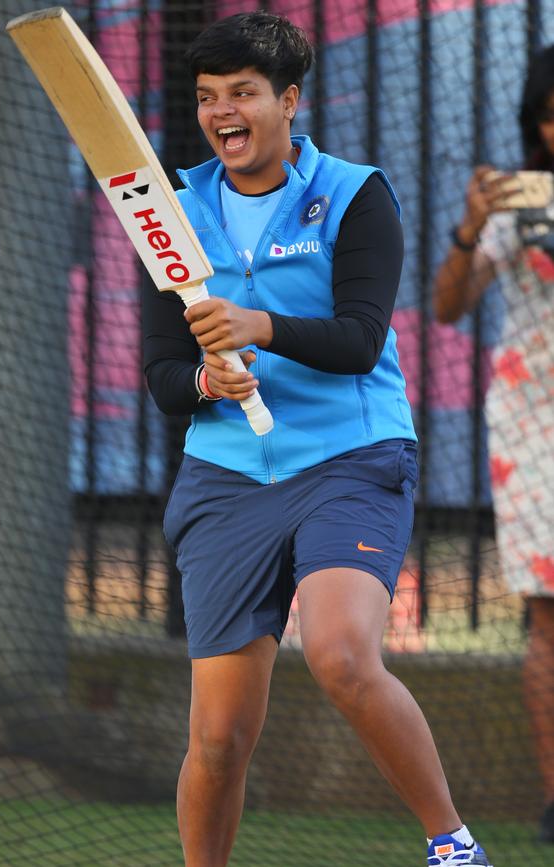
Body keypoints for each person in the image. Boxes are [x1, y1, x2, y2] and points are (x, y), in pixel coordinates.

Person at [144, 11, 492, 866]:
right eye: (207, 98)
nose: (224, 113)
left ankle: (452, 845)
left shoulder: (353, 192)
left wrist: (257, 323)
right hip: (226, 474)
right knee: (219, 739)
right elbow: (162, 371)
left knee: (340, 653)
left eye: (244, 94)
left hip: (351, 456)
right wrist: (204, 379)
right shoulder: (173, 208)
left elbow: (360, 339)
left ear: (288, 100)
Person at [432, 45, 554, 846]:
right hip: (535, 421)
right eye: (549, 111)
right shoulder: (517, 198)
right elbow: (448, 305)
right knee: (548, 618)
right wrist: (471, 227)